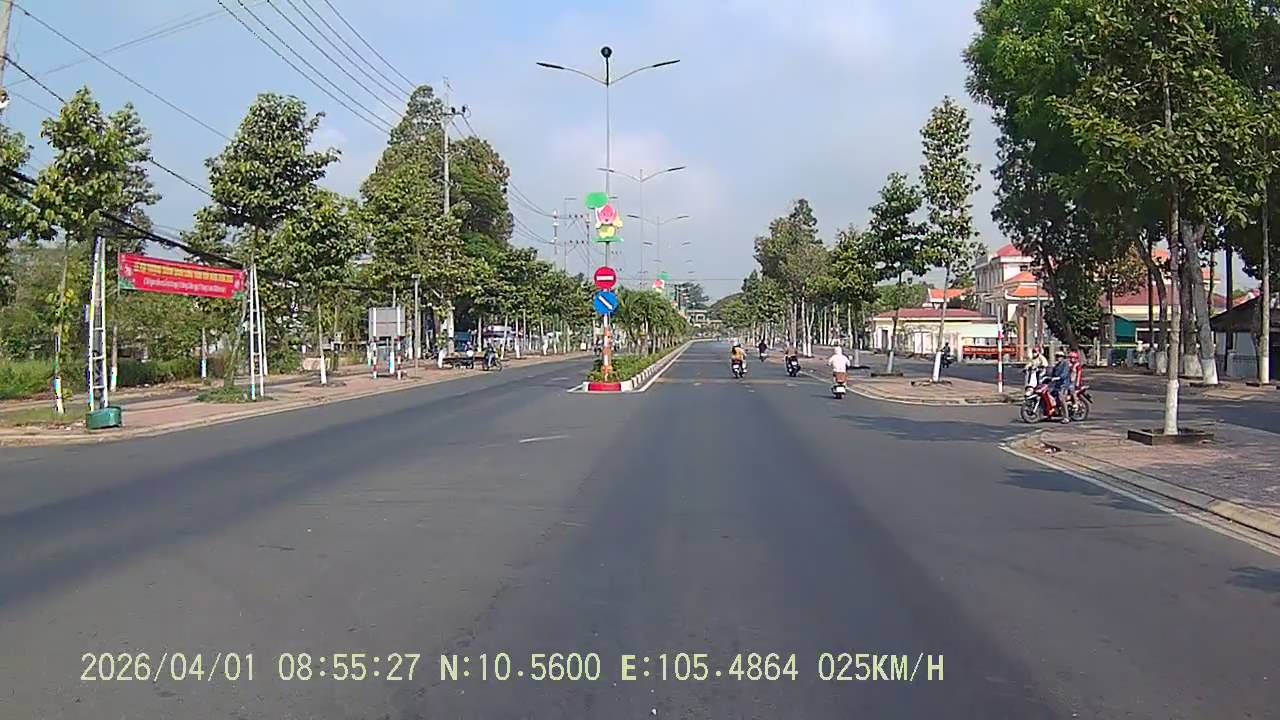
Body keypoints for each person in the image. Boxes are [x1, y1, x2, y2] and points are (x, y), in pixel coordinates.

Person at [1048, 350, 1073, 423]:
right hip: (1057, 385)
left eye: (1059, 356)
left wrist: (1059, 378)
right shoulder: (1056, 365)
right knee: (1051, 396)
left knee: (1061, 398)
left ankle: (1066, 417)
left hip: (1064, 385)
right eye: (1057, 356)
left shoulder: (1065, 364)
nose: (1058, 358)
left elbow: (1064, 374)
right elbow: (1052, 374)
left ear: (1063, 357)